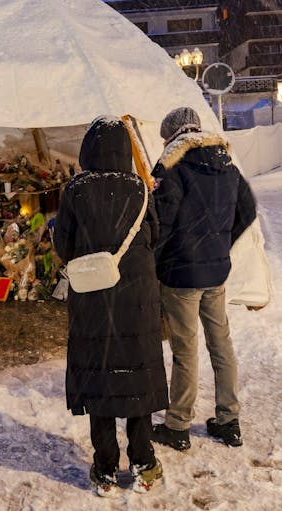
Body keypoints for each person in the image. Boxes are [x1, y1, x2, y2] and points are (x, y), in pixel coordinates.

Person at [54, 116, 167, 497]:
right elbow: (155, 237)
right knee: (136, 375)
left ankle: (105, 469)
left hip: (92, 298)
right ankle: (143, 462)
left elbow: (64, 246)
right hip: (137, 300)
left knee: (100, 376)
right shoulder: (141, 188)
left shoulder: (76, 190)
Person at [149, 107, 257, 451]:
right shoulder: (226, 163)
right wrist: (221, 241)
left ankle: (178, 425)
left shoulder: (171, 166)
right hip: (215, 271)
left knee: (185, 350)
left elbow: (161, 224)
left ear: (172, 135)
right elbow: (248, 209)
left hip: (180, 274)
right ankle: (229, 421)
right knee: (221, 344)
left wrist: (154, 261)